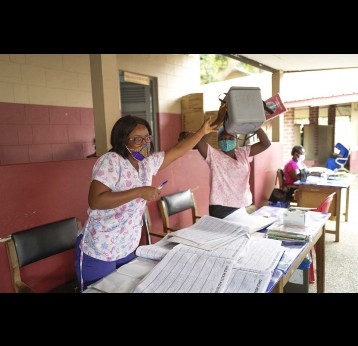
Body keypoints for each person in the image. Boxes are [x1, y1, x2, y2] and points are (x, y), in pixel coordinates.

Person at [75, 114, 217, 291]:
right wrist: (139, 192)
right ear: (122, 140)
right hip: (101, 248)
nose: (144, 143)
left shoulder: (146, 164)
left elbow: (178, 151)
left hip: (127, 245)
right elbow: (96, 200)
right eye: (137, 139)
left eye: (147, 138)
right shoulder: (111, 161)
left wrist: (201, 132)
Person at [195, 103, 271, 219]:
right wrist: (219, 120)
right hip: (221, 207)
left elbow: (266, 144)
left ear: (236, 140)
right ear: (218, 140)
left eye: (230, 138)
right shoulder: (214, 156)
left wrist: (253, 124)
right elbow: (200, 143)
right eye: (223, 138)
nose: (226, 140)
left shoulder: (243, 153)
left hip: (242, 205)